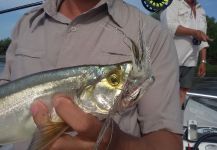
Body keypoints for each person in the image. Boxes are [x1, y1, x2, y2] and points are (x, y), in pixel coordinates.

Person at [0, 0, 183, 149]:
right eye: (114, 80)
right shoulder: (26, 23)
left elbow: (169, 142)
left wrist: (116, 143)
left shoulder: (152, 33)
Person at [160, 0, 211, 105]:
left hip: (191, 62)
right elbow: (169, 27)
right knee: (166, 93)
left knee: (183, 91)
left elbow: (203, 38)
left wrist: (203, 61)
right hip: (171, 60)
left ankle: (177, 117)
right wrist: (194, 32)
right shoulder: (172, 3)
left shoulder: (201, 10)